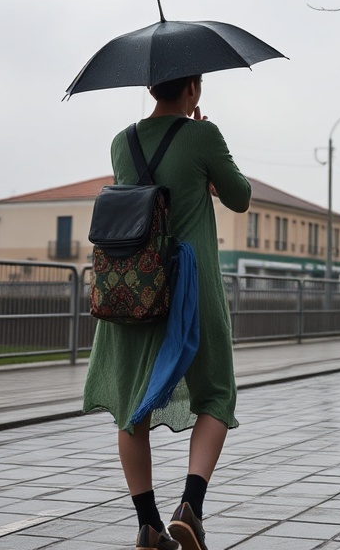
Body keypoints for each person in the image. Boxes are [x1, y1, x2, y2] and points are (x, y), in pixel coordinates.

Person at [83, 74, 251, 550]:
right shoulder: (203, 135)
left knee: (130, 407)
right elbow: (239, 198)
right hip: (189, 288)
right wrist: (210, 144)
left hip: (131, 288)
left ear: (150, 85)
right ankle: (190, 509)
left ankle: (149, 525)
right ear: (192, 89)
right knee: (216, 395)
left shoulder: (122, 141)